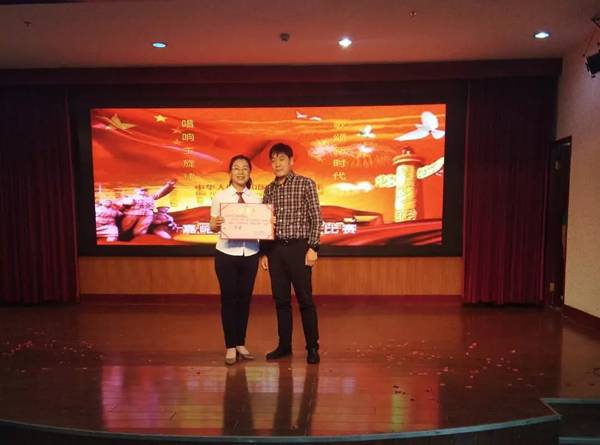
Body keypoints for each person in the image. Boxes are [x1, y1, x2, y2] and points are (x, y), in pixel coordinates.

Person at [260, 143, 322, 364]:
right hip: (275, 250)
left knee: (305, 300)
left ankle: (312, 347)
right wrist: (264, 253)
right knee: (281, 301)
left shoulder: (305, 184)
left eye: (282, 159)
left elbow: (316, 218)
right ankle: (284, 346)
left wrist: (313, 247)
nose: (277, 164)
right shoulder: (269, 189)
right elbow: (264, 223)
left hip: (299, 249)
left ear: (291, 161)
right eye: (273, 160)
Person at [210, 155, 261, 365]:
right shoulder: (220, 197)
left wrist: (268, 223)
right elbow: (212, 226)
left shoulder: (256, 199)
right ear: (230, 173)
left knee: (245, 300)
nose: (241, 172)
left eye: (245, 168)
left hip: (250, 253)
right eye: (236, 168)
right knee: (229, 300)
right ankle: (230, 346)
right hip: (226, 254)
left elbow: (261, 226)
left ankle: (241, 342)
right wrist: (215, 224)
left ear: (249, 173)